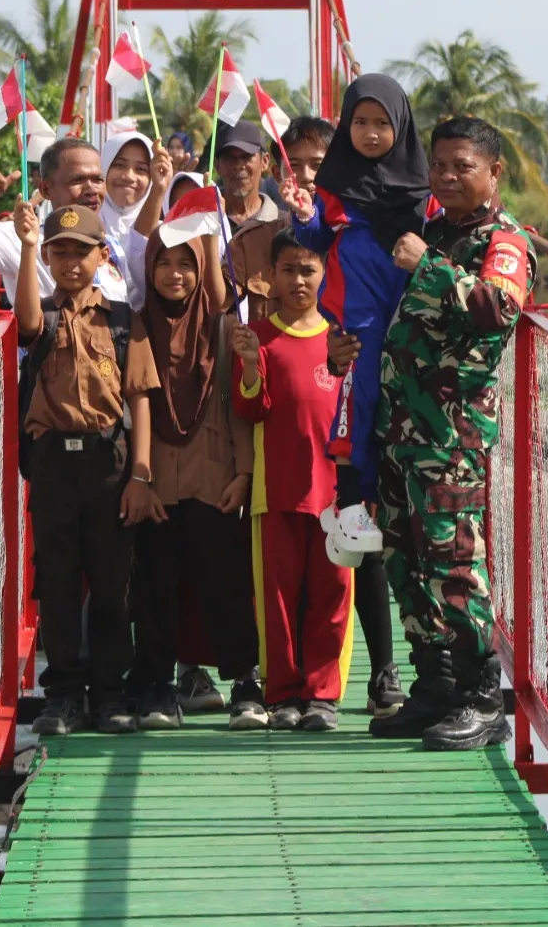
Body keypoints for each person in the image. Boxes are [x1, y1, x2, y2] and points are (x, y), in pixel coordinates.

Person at [365, 117, 533, 750]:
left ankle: (481, 697)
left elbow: (498, 308)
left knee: (454, 562)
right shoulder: (436, 231)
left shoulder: (503, 240)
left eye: (463, 166)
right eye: (439, 166)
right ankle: (434, 685)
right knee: (405, 558)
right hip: (403, 428)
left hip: (451, 433)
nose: (448, 177)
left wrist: (427, 266)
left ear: (494, 172)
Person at [14, 201, 163, 736]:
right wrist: (28, 247)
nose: (70, 263)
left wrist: (141, 474)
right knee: (56, 581)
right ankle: (63, 695)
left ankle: (107, 692)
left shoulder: (122, 320)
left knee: (111, 581)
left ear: (103, 255)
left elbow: (139, 397)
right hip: (54, 464)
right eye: (59, 253)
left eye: (81, 252)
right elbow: (25, 324)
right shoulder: (43, 315)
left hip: (108, 462)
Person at [278, 116, 402, 716]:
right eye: (296, 163)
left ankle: (398, 670)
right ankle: (302, 682)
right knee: (348, 531)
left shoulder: (414, 200)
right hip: (330, 393)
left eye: (316, 163)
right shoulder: (308, 219)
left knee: (389, 533)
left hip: (395, 382)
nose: (305, 174)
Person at [286, 75, 431, 564]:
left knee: (402, 402)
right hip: (359, 310)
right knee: (360, 390)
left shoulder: (423, 189)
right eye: (360, 122)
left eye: (382, 124)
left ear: (401, 126)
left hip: (407, 309)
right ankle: (351, 501)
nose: (370, 133)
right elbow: (316, 240)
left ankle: (368, 504)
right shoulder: (335, 186)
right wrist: (304, 216)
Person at [131, 225, 266, 732]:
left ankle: (245, 683)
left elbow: (237, 406)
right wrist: (140, 478)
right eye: (164, 263)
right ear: (149, 270)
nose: (175, 274)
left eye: (186, 264)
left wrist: (244, 472)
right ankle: (157, 684)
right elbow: (137, 403)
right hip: (156, 477)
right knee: (156, 584)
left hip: (214, 474)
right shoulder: (139, 326)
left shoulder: (221, 327)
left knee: (226, 579)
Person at [231, 231, 354, 732]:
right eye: (288, 271)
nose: (299, 280)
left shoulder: (342, 339)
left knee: (332, 594)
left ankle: (322, 695)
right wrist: (247, 363)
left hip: (336, 495)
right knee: (276, 600)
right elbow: (249, 408)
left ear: (324, 273)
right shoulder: (257, 337)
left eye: (308, 270)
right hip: (275, 489)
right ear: (270, 277)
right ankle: (281, 692)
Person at [0, 137, 131, 302]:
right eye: (77, 180)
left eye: (97, 180)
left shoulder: (112, 247)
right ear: (45, 189)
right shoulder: (23, 237)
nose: (91, 190)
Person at [211, 121, 286, 322]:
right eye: (230, 158)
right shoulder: (203, 225)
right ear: (217, 165)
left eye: (246, 156)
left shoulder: (284, 227)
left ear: (264, 162)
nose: (238, 165)